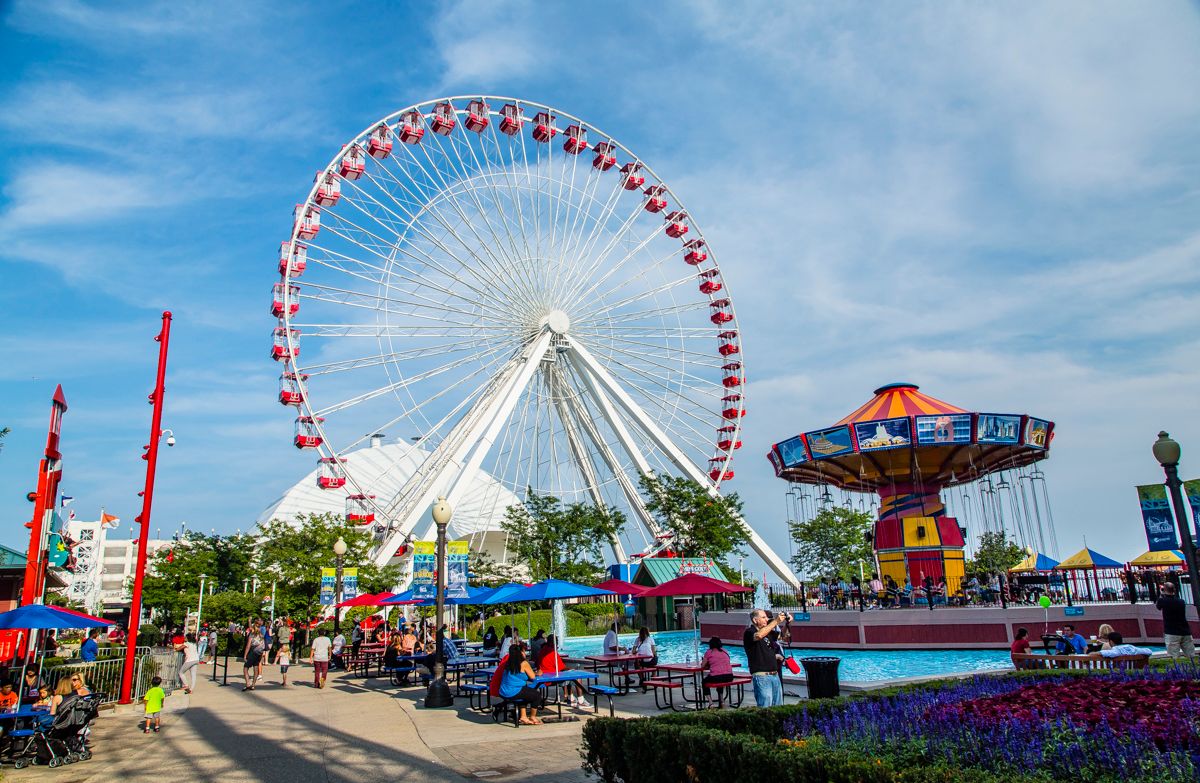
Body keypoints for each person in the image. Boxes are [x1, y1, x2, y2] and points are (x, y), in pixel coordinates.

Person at [744, 608, 788, 707]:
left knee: (778, 707)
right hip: (762, 676)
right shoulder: (749, 632)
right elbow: (759, 635)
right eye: (763, 617)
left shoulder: (767, 633)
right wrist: (776, 621)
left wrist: (787, 623)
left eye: (767, 617)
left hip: (775, 675)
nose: (766, 619)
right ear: (755, 620)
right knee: (765, 707)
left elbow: (784, 636)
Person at [535, 635, 588, 708]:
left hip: (544, 675)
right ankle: (581, 701)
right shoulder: (552, 653)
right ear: (555, 643)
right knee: (576, 676)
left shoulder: (543, 650)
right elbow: (562, 667)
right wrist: (572, 670)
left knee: (567, 675)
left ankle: (571, 698)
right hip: (551, 678)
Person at [498, 645, 545, 725]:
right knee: (537, 695)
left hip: (503, 691)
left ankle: (523, 716)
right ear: (520, 653)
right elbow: (533, 677)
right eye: (523, 651)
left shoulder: (508, 662)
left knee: (525, 691)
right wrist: (538, 673)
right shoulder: (523, 663)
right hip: (513, 691)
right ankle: (532, 716)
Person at [1156, 583, 1196, 660]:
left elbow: (1158, 606)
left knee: (1173, 657)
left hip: (1171, 632)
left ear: (1164, 590)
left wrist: (1161, 594)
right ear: (1174, 590)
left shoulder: (1163, 601)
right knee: (1191, 656)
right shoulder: (1181, 601)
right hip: (1185, 631)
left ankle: (1176, 671)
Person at [701, 637, 734, 703]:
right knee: (720, 681)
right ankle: (722, 700)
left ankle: (710, 702)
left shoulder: (709, 652)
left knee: (704, 682)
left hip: (717, 677)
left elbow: (702, 665)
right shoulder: (725, 651)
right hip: (729, 676)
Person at [633, 626, 658, 691]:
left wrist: (637, 651)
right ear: (647, 632)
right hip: (651, 661)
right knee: (655, 660)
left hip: (642, 662)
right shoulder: (650, 639)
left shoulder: (637, 639)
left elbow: (633, 651)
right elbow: (653, 651)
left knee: (636, 663)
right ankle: (653, 677)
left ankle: (642, 678)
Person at [243, 624, 266, 691]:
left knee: (245, 668)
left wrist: (245, 655)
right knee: (255, 668)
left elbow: (248, 646)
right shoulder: (261, 635)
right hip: (259, 653)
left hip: (253, 652)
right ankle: (253, 685)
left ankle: (248, 684)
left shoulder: (252, 635)